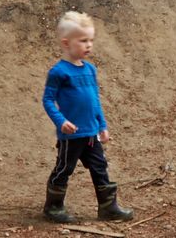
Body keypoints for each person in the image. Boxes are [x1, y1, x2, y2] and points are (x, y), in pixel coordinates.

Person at [41, 11, 134, 224]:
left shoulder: (90, 69)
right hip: (71, 136)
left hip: (92, 133)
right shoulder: (59, 72)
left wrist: (102, 125)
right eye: (83, 40)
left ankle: (108, 207)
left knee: (100, 167)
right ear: (66, 43)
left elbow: (94, 101)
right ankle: (53, 207)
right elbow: (47, 100)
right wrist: (61, 121)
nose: (89, 45)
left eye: (91, 40)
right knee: (65, 168)